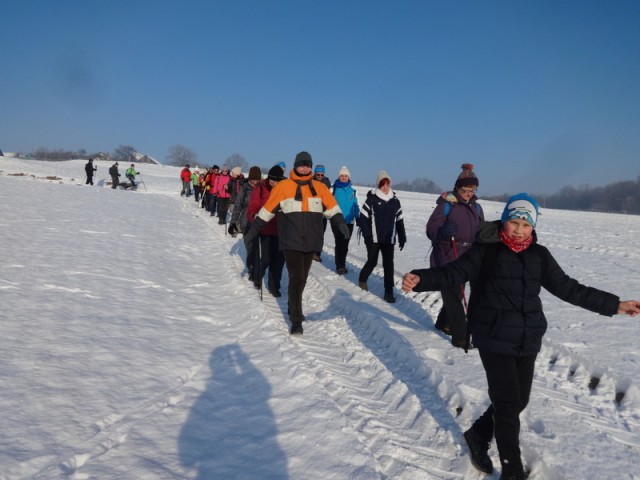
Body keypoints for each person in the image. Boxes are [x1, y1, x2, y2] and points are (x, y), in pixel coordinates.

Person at [401, 193, 640, 480]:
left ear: (533, 227)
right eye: (514, 222)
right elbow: (453, 273)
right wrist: (421, 279)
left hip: (527, 338)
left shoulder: (539, 256)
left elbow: (570, 289)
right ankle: (511, 471)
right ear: (504, 220)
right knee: (506, 406)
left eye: (525, 225)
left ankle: (478, 434)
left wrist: (615, 305)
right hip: (492, 334)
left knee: (518, 401)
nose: (518, 230)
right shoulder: (485, 250)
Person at [244, 151, 350, 335]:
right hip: (290, 241)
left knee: (302, 278)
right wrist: (253, 231)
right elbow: (267, 210)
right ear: (295, 166)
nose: (305, 168)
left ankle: (293, 306)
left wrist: (340, 223)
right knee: (296, 277)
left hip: (312, 241)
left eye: (308, 165)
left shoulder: (319, 187)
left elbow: (332, 207)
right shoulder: (283, 187)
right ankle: (296, 319)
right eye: (302, 164)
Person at [426, 163, 485, 348]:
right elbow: (431, 228)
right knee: (453, 294)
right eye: (466, 189)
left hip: (469, 256)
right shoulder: (447, 204)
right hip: (448, 254)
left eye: (473, 189)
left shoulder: (477, 208)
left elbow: (482, 230)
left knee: (457, 295)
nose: (469, 193)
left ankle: (442, 323)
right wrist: (442, 231)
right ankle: (461, 337)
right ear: (458, 188)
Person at [358, 170, 406, 303]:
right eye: (382, 184)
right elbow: (363, 218)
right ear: (378, 185)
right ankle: (362, 279)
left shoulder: (395, 201)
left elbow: (400, 220)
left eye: (387, 184)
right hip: (373, 239)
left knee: (388, 265)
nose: (385, 187)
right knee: (372, 261)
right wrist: (367, 235)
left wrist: (402, 236)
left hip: (389, 239)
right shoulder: (371, 200)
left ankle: (388, 292)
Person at [245, 165, 286, 296]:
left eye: (277, 180)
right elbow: (253, 206)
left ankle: (274, 286)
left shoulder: (286, 190)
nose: (274, 183)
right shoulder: (260, 188)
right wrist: (254, 217)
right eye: (272, 179)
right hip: (265, 229)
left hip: (281, 231)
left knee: (278, 261)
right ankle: (257, 276)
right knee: (265, 258)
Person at [331, 166, 360, 275]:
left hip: (349, 221)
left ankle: (342, 262)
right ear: (339, 177)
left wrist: (358, 217)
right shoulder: (333, 189)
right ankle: (340, 266)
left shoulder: (353, 191)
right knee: (339, 243)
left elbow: (355, 205)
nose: (343, 178)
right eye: (342, 176)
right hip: (336, 220)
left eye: (345, 176)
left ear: (348, 177)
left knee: (345, 243)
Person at [229, 166, 261, 238]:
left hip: (259, 223)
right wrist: (233, 222)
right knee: (249, 246)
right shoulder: (245, 188)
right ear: (250, 178)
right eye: (253, 179)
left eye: (257, 180)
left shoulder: (262, 189)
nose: (255, 182)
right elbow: (237, 205)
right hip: (246, 223)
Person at [312, 164, 332, 261]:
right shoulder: (309, 182)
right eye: (318, 174)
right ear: (315, 174)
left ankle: (317, 253)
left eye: (321, 175)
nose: (319, 176)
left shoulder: (327, 184)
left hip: (322, 213)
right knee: (309, 233)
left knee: (320, 234)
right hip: (311, 212)